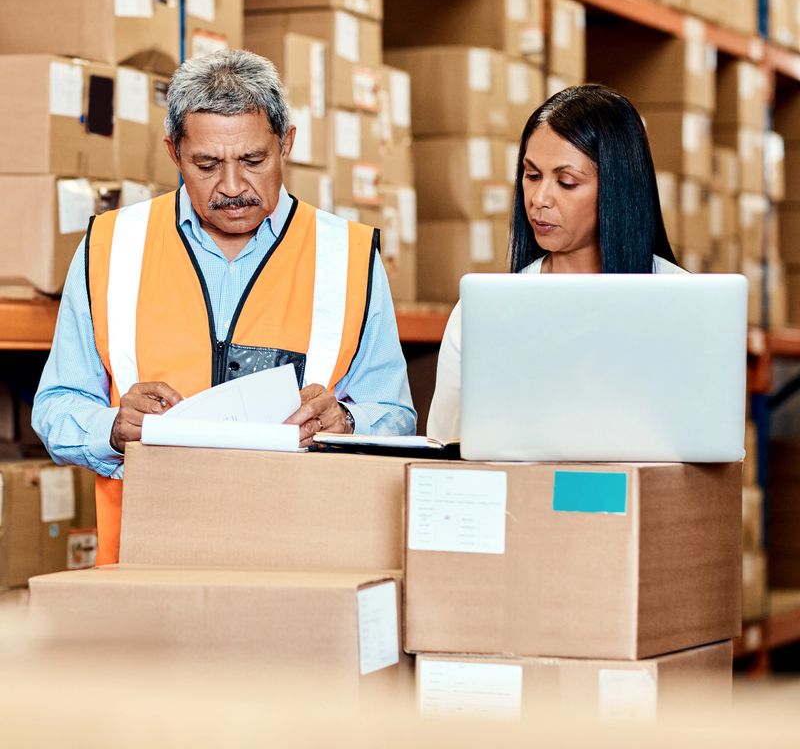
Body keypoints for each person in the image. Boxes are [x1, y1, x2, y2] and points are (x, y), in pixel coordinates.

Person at [33, 49, 416, 565]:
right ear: (174, 151)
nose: (233, 187)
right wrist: (111, 428)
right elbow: (56, 406)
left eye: (254, 161)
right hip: (144, 566)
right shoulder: (110, 246)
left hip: (304, 561)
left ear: (287, 144)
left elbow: (396, 416)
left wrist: (347, 422)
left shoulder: (348, 256)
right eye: (207, 165)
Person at [427, 83, 684, 443]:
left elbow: (709, 448)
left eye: (566, 182)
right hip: (520, 497)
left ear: (617, 188)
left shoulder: (681, 304)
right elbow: (446, 445)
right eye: (532, 176)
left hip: (642, 497)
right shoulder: (485, 311)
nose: (539, 199)